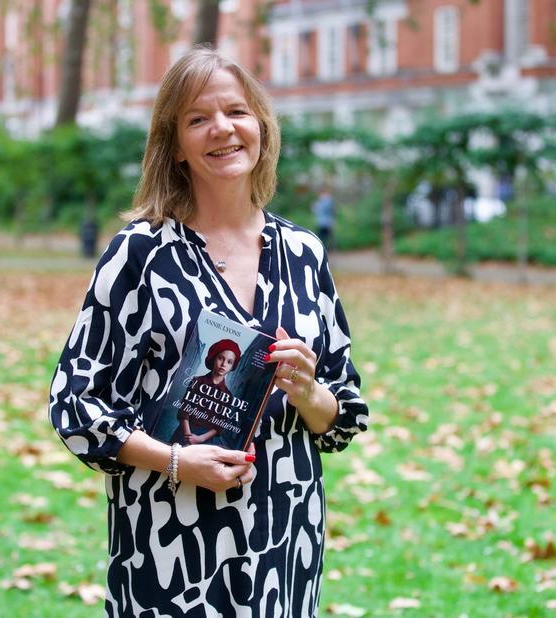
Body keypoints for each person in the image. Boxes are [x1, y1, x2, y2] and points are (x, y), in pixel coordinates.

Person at [48, 46, 368, 617]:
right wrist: (175, 461)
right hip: (172, 542)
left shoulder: (303, 253)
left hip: (285, 535)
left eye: (237, 112)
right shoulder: (140, 255)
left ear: (261, 127)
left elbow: (343, 414)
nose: (223, 129)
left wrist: (307, 391)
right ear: (174, 146)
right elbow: (76, 406)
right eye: (198, 119)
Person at [172, 338, 242, 446]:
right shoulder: (197, 381)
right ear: (214, 358)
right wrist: (188, 436)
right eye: (220, 358)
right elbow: (184, 410)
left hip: (205, 440)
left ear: (232, 366)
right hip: (185, 432)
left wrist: (200, 439)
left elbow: (220, 425)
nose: (223, 364)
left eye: (229, 362)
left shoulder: (228, 396)